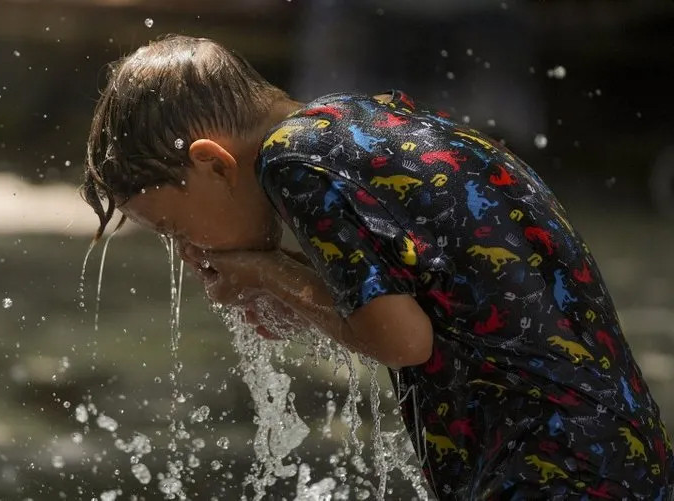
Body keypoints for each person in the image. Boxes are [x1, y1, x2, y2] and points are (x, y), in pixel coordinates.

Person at [81, 35, 673, 500]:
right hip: (609, 447)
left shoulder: (295, 163)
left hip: (549, 466)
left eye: (175, 229)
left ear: (212, 163)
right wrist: (286, 277)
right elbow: (431, 299)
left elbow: (401, 339)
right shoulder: (353, 129)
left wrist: (267, 274)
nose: (188, 253)